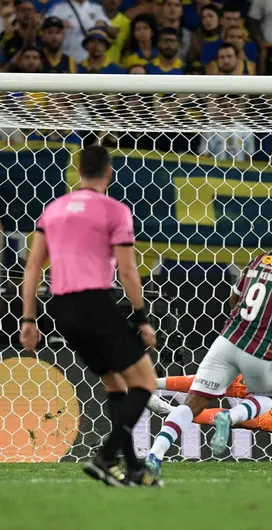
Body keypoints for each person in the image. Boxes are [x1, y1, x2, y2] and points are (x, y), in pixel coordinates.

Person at [20, 145, 159, 487]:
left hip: (61, 309)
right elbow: (127, 271)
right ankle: (105, 457)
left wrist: (28, 320)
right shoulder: (115, 211)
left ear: (78, 170)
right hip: (96, 303)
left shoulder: (51, 211)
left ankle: (134, 469)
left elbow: (33, 268)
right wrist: (141, 316)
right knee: (146, 382)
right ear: (109, 171)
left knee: (114, 383)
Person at [145, 218, 272, 478]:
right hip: (261, 347)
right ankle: (230, 416)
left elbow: (234, 298)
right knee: (267, 398)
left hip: (227, 340)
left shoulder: (257, 262)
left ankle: (154, 454)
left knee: (192, 403)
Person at [45, 0, 110, 63]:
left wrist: (104, 25)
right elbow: (43, 26)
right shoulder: (59, 8)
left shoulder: (97, 8)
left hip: (88, 59)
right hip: (66, 56)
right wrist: (59, 22)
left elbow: (112, 33)